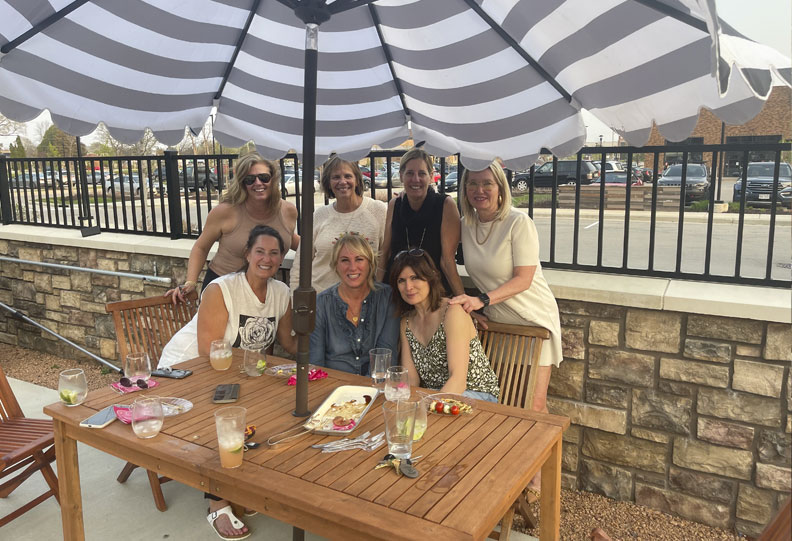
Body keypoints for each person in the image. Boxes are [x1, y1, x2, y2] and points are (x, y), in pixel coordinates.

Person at [158, 225, 296, 540]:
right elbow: (210, 350)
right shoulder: (222, 289)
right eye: (260, 251)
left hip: (238, 373)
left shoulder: (281, 293)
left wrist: (315, 349)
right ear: (247, 254)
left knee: (274, 403)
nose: (267, 258)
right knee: (229, 411)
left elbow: (287, 341)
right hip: (186, 369)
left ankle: (241, 481)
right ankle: (216, 501)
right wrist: (253, 374)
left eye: (274, 252)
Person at [449, 160, 562, 501]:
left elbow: (524, 278)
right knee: (505, 402)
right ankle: (509, 470)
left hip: (534, 321)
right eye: (472, 184)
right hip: (499, 324)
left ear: (501, 188)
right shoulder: (466, 225)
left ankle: (538, 481)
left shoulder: (518, 222)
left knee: (534, 405)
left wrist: (481, 299)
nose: (479, 190)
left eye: (487, 184)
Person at [167, 152, 298, 303]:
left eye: (264, 177)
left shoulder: (288, 211)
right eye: (250, 179)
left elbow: (289, 237)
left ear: (273, 179)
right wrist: (190, 282)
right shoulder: (225, 211)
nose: (258, 183)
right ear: (242, 183)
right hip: (223, 288)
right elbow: (201, 247)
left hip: (263, 289)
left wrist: (321, 247)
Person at [391, 249, 499, 401]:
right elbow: (412, 381)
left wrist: (426, 407)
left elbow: (458, 380)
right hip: (434, 396)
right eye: (401, 280)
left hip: (474, 394)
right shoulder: (406, 323)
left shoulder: (452, 311)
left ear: (430, 278)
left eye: (414, 277)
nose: (408, 287)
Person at [290, 155, 386, 293]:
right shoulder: (319, 216)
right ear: (328, 183)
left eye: (348, 176)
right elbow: (300, 264)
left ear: (357, 180)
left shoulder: (378, 211)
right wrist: (296, 300)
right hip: (320, 299)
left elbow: (385, 256)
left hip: (364, 300)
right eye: (336, 177)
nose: (342, 182)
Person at [377, 147, 464, 297]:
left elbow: (447, 261)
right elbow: (385, 253)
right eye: (410, 173)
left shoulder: (445, 205)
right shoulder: (394, 204)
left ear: (431, 176)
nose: (415, 179)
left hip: (432, 291)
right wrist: (376, 292)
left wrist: (463, 300)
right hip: (397, 289)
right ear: (401, 175)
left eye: (422, 173)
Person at [310, 232, 399, 375]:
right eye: (345, 260)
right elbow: (315, 362)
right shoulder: (321, 303)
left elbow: (385, 355)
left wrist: (368, 393)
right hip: (332, 386)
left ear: (370, 263)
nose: (352, 267)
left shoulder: (387, 298)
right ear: (335, 265)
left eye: (359, 259)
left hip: (374, 387)